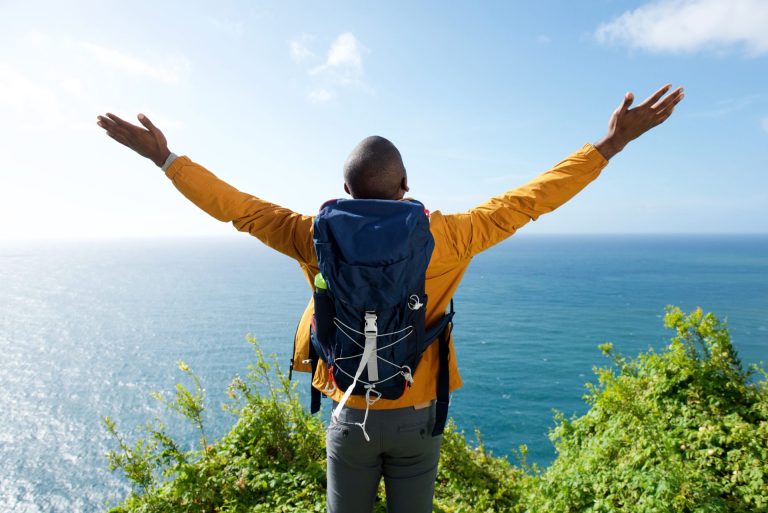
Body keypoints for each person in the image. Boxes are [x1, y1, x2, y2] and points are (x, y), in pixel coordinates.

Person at [96, 83, 684, 513]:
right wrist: (610, 143)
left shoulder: (311, 235)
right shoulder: (449, 236)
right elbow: (530, 199)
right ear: (406, 185)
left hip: (351, 411)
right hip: (418, 412)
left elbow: (240, 210)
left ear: (344, 189)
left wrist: (166, 159)